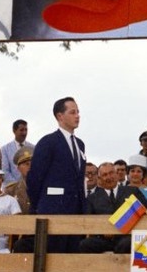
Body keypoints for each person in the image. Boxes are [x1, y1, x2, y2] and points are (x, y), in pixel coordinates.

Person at [27, 96, 86, 253]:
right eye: (72, 112)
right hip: (53, 211)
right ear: (60, 116)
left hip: (75, 213)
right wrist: (39, 206)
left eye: (78, 112)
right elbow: (35, 178)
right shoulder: (48, 142)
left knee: (71, 259)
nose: (77, 116)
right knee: (53, 257)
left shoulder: (80, 144)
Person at [79, 162, 147, 253]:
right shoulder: (92, 198)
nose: (109, 177)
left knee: (127, 244)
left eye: (111, 173)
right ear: (99, 179)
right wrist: (103, 230)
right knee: (85, 244)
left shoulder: (132, 192)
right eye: (105, 175)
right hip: (103, 239)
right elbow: (89, 221)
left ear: (116, 174)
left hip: (127, 236)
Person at [0, 119, 33, 185]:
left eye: (26, 130)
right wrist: (18, 186)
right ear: (14, 131)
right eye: (21, 130)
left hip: (31, 187)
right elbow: (5, 171)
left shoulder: (33, 148)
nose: (24, 133)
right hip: (11, 189)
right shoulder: (5, 149)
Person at [5, 148, 32, 214]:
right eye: (26, 164)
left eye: (32, 164)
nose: (30, 167)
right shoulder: (11, 190)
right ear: (18, 168)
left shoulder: (44, 188)